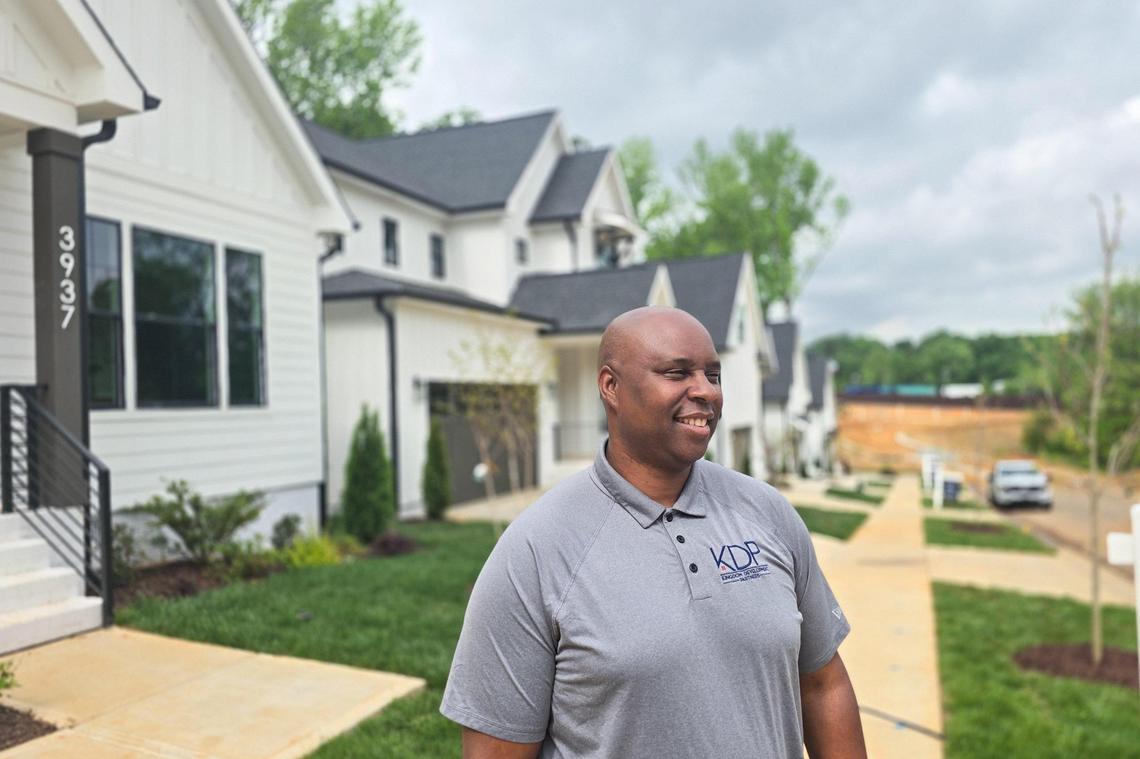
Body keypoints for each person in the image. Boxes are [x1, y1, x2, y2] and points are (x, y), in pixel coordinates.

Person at [441, 306, 866, 758]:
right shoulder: (535, 551)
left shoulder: (767, 513)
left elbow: (823, 685)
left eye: (713, 375)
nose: (706, 391)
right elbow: (497, 749)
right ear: (611, 387)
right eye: (677, 373)